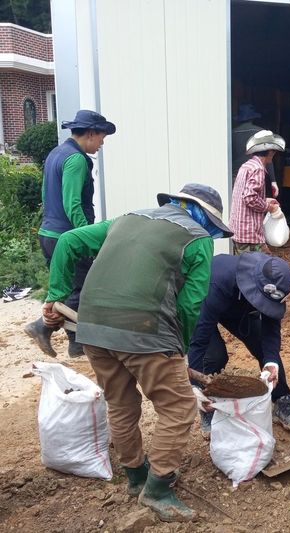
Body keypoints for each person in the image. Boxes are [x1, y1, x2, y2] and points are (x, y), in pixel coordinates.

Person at [41, 183, 232, 522]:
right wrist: (180, 348)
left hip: (93, 328)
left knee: (121, 402)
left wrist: (55, 294)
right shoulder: (197, 238)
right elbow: (191, 303)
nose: (211, 232)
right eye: (213, 226)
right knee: (178, 407)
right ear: (201, 213)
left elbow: (68, 241)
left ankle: (135, 477)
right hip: (146, 330)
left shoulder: (125, 219)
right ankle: (158, 489)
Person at [24, 110, 116, 358]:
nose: (103, 142)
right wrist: (86, 237)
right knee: (85, 288)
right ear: (90, 133)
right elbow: (72, 204)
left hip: (49, 233)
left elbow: (46, 195)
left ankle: (76, 343)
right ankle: (42, 326)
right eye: (102, 136)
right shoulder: (75, 160)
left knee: (71, 287)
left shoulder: (55, 154)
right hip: (67, 236)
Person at [188, 252, 290, 437]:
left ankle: (282, 399)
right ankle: (207, 406)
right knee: (214, 356)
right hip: (206, 302)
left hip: (239, 307)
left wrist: (271, 361)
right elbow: (198, 341)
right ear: (254, 286)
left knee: (263, 348)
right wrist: (194, 386)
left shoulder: (271, 282)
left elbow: (271, 326)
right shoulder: (217, 282)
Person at [229, 130, 285, 254]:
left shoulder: (247, 166)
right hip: (249, 233)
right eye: (274, 151)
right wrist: (269, 207)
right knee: (252, 269)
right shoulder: (258, 169)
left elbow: (245, 195)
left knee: (243, 265)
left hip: (238, 229)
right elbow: (249, 198)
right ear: (270, 152)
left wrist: (265, 199)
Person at [232, 104, 279, 198]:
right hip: (257, 174)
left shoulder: (232, 133)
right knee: (256, 202)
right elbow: (268, 158)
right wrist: (273, 181)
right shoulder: (261, 133)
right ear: (253, 118)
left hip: (236, 175)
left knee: (237, 201)